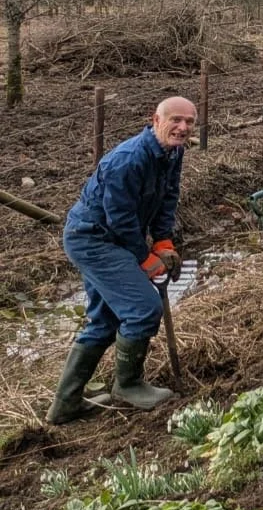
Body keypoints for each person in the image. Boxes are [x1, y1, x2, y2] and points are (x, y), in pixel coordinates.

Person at [47, 97, 196, 425]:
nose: (183, 127)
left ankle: (65, 404)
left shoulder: (174, 152)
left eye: (189, 122)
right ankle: (127, 385)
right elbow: (120, 218)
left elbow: (167, 198)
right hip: (93, 239)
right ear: (154, 119)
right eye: (175, 120)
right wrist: (146, 259)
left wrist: (163, 240)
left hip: (113, 238)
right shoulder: (129, 160)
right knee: (143, 309)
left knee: (105, 319)